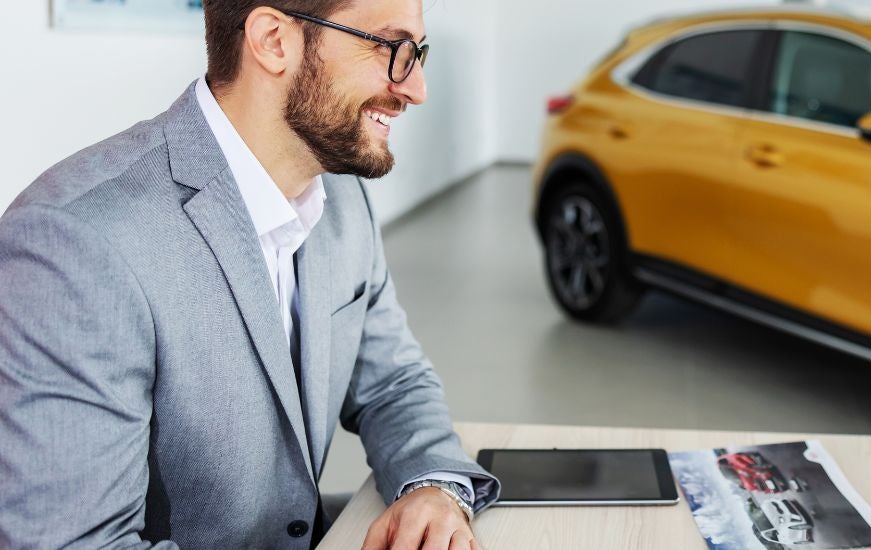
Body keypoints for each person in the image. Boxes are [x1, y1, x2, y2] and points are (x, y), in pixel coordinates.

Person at [0, 1, 498, 548]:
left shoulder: (343, 196)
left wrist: (433, 485)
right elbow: (75, 543)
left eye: (418, 53)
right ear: (273, 40)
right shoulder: (77, 244)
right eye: (392, 48)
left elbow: (392, 383)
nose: (417, 88)